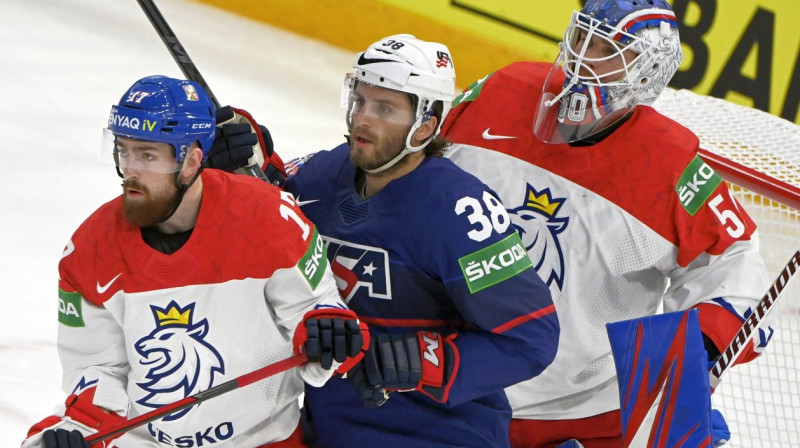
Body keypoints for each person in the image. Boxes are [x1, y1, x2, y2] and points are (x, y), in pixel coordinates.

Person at [438, 0, 773, 446]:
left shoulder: (669, 164)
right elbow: (410, 164)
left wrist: (700, 350)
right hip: (447, 377)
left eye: (607, 48)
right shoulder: (503, 91)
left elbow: (735, 264)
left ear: (648, 68)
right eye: (583, 39)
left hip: (583, 414)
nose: (583, 58)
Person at [215, 34, 560, 447]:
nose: (362, 118)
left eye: (384, 108)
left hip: (439, 436)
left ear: (426, 125)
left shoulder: (460, 210)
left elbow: (530, 338)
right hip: (328, 426)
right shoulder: (325, 175)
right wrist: (246, 162)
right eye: (359, 101)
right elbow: (271, 213)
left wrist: (429, 361)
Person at [21, 75, 365, 448]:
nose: (130, 170)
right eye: (124, 151)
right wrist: (81, 430)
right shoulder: (90, 249)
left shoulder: (267, 218)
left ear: (191, 161)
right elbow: (96, 367)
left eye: (148, 155)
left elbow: (317, 309)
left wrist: (328, 331)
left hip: (263, 440)